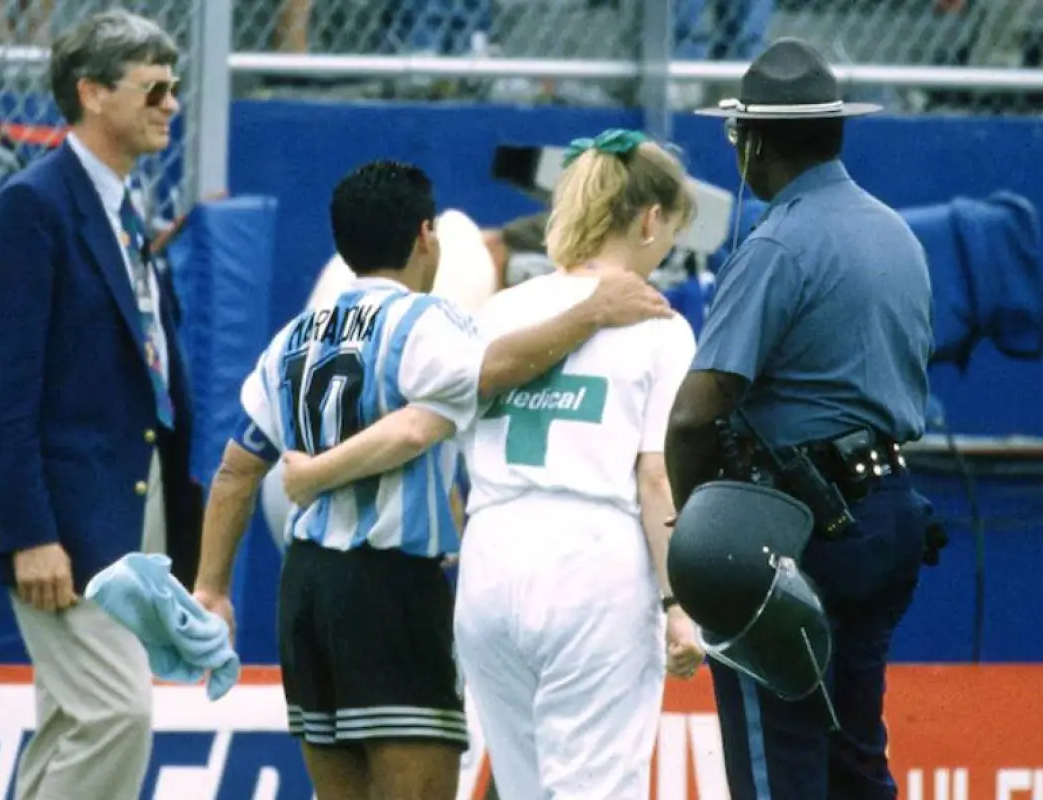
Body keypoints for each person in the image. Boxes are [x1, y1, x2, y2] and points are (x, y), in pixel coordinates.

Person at [192, 159, 672, 800]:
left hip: (305, 590)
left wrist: (212, 586)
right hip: (388, 588)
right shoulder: (427, 325)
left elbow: (234, 471)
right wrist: (592, 312)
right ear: (426, 236)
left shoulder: (292, 340)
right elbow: (473, 384)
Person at [665, 38, 936, 800]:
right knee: (854, 760)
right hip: (886, 511)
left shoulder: (779, 241)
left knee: (776, 768)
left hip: (792, 527)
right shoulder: (897, 233)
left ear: (755, 140)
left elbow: (694, 414)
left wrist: (700, 529)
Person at [0, 11, 200, 799]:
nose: (172, 103)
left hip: (136, 507)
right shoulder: (34, 208)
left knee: (74, 718)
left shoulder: (121, 210)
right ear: (91, 93)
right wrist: (28, 533)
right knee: (115, 715)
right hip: (70, 521)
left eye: (176, 87)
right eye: (154, 88)